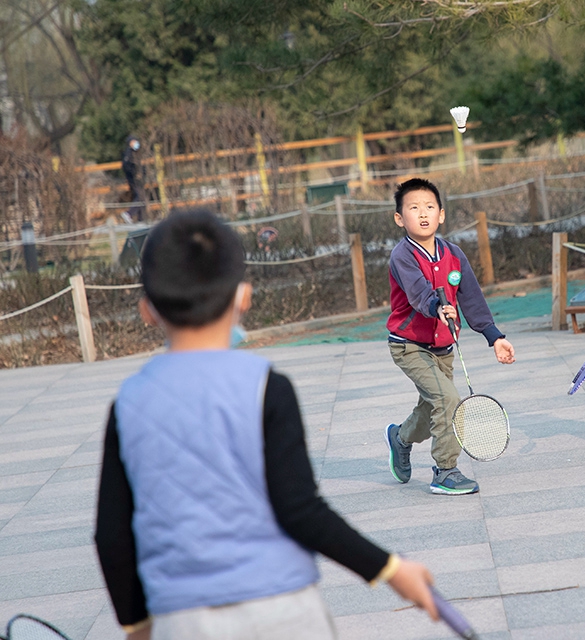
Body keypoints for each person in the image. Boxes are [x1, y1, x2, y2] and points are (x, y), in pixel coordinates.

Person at [94, 209, 438, 640]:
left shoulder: (128, 403)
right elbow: (300, 510)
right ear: (244, 296)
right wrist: (389, 568)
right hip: (284, 611)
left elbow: (111, 535)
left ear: (147, 311)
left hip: (183, 619)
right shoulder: (266, 388)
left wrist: (137, 625)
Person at [385, 178, 515, 495]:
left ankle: (400, 438)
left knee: (432, 407)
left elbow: (471, 299)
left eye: (429, 207)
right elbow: (419, 294)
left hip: (444, 347)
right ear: (400, 219)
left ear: (441, 214)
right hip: (409, 346)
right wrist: (437, 306)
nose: (423, 213)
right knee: (448, 400)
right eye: (413, 208)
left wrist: (494, 336)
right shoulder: (402, 256)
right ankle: (445, 471)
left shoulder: (454, 255)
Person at [121, 136, 146, 222]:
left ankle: (141, 219)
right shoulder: (129, 154)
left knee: (140, 197)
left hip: (137, 179)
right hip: (134, 179)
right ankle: (129, 213)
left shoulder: (135, 153)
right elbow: (127, 166)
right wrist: (135, 174)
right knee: (140, 196)